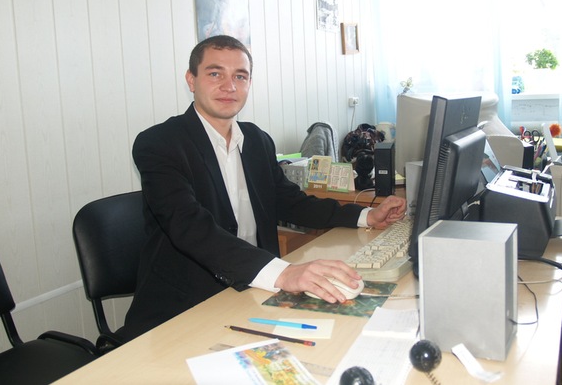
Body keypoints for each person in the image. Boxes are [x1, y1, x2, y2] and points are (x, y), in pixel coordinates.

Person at [119, 35, 406, 342]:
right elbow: (188, 226)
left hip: (253, 291)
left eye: (240, 76)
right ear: (191, 80)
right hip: (185, 308)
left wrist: (365, 216)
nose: (229, 86)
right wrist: (283, 273)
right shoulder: (160, 143)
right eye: (215, 74)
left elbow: (289, 202)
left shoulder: (256, 140)